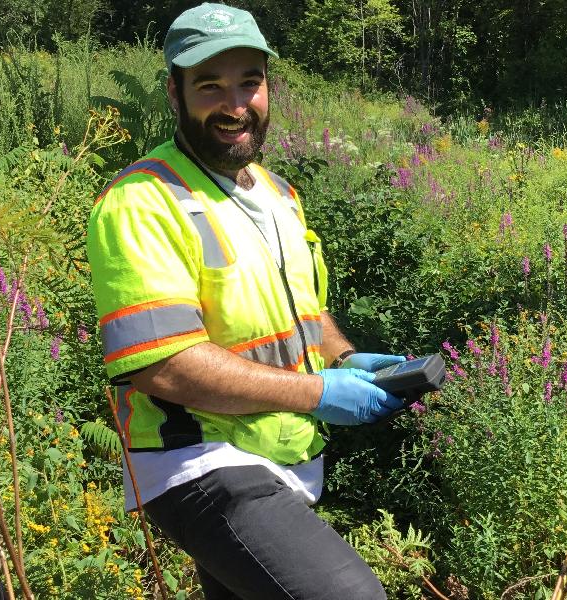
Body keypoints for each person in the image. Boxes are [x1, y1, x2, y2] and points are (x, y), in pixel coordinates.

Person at [86, 3, 407, 599]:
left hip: (281, 452)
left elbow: (306, 314)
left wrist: (340, 361)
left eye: (248, 82)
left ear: (268, 87)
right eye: (210, 85)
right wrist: (318, 394)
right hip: (198, 460)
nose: (234, 105)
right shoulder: (141, 202)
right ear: (174, 93)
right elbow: (165, 364)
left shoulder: (279, 194)